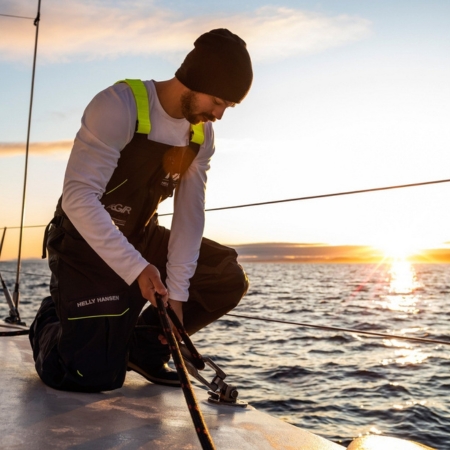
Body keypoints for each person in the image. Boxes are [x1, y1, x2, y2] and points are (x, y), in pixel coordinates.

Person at [29, 28, 252, 392]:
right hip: (82, 241)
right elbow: (78, 196)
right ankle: (52, 317)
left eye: (228, 106)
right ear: (194, 80)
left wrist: (177, 295)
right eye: (218, 101)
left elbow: (189, 217)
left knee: (226, 276)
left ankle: (144, 348)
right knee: (90, 376)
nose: (219, 114)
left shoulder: (200, 135)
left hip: (139, 235)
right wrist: (136, 268)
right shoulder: (119, 105)